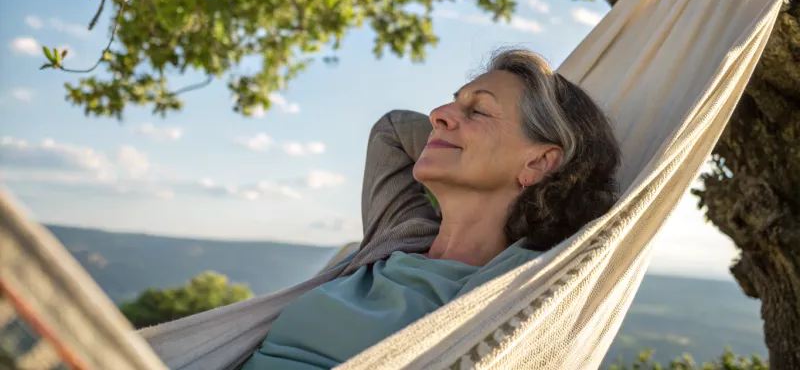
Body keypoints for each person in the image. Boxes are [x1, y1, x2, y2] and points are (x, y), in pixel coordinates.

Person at [242, 49, 621, 369]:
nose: (437, 113)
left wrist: (462, 145)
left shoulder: (521, 285)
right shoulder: (401, 235)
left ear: (538, 163)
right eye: (453, 102)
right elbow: (391, 130)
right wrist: (462, 139)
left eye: (480, 111)